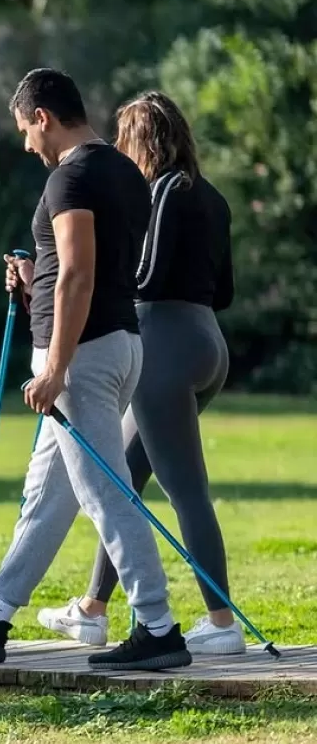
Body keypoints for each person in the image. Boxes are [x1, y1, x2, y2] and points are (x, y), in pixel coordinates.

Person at [0, 67, 192, 672]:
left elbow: (78, 271)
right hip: (116, 343)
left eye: (26, 128)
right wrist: (34, 283)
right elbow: (85, 271)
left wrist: (55, 366)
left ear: (44, 117)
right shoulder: (125, 172)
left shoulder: (71, 176)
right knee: (47, 495)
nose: (27, 143)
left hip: (81, 358)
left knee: (107, 494)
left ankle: (158, 627)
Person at [36, 91, 242, 653]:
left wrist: (99, 285)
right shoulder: (213, 195)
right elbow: (223, 288)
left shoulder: (164, 191)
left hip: (165, 347)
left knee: (185, 491)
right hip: (205, 341)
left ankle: (223, 625)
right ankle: (93, 608)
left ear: (139, 141)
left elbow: (144, 273)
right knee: (119, 475)